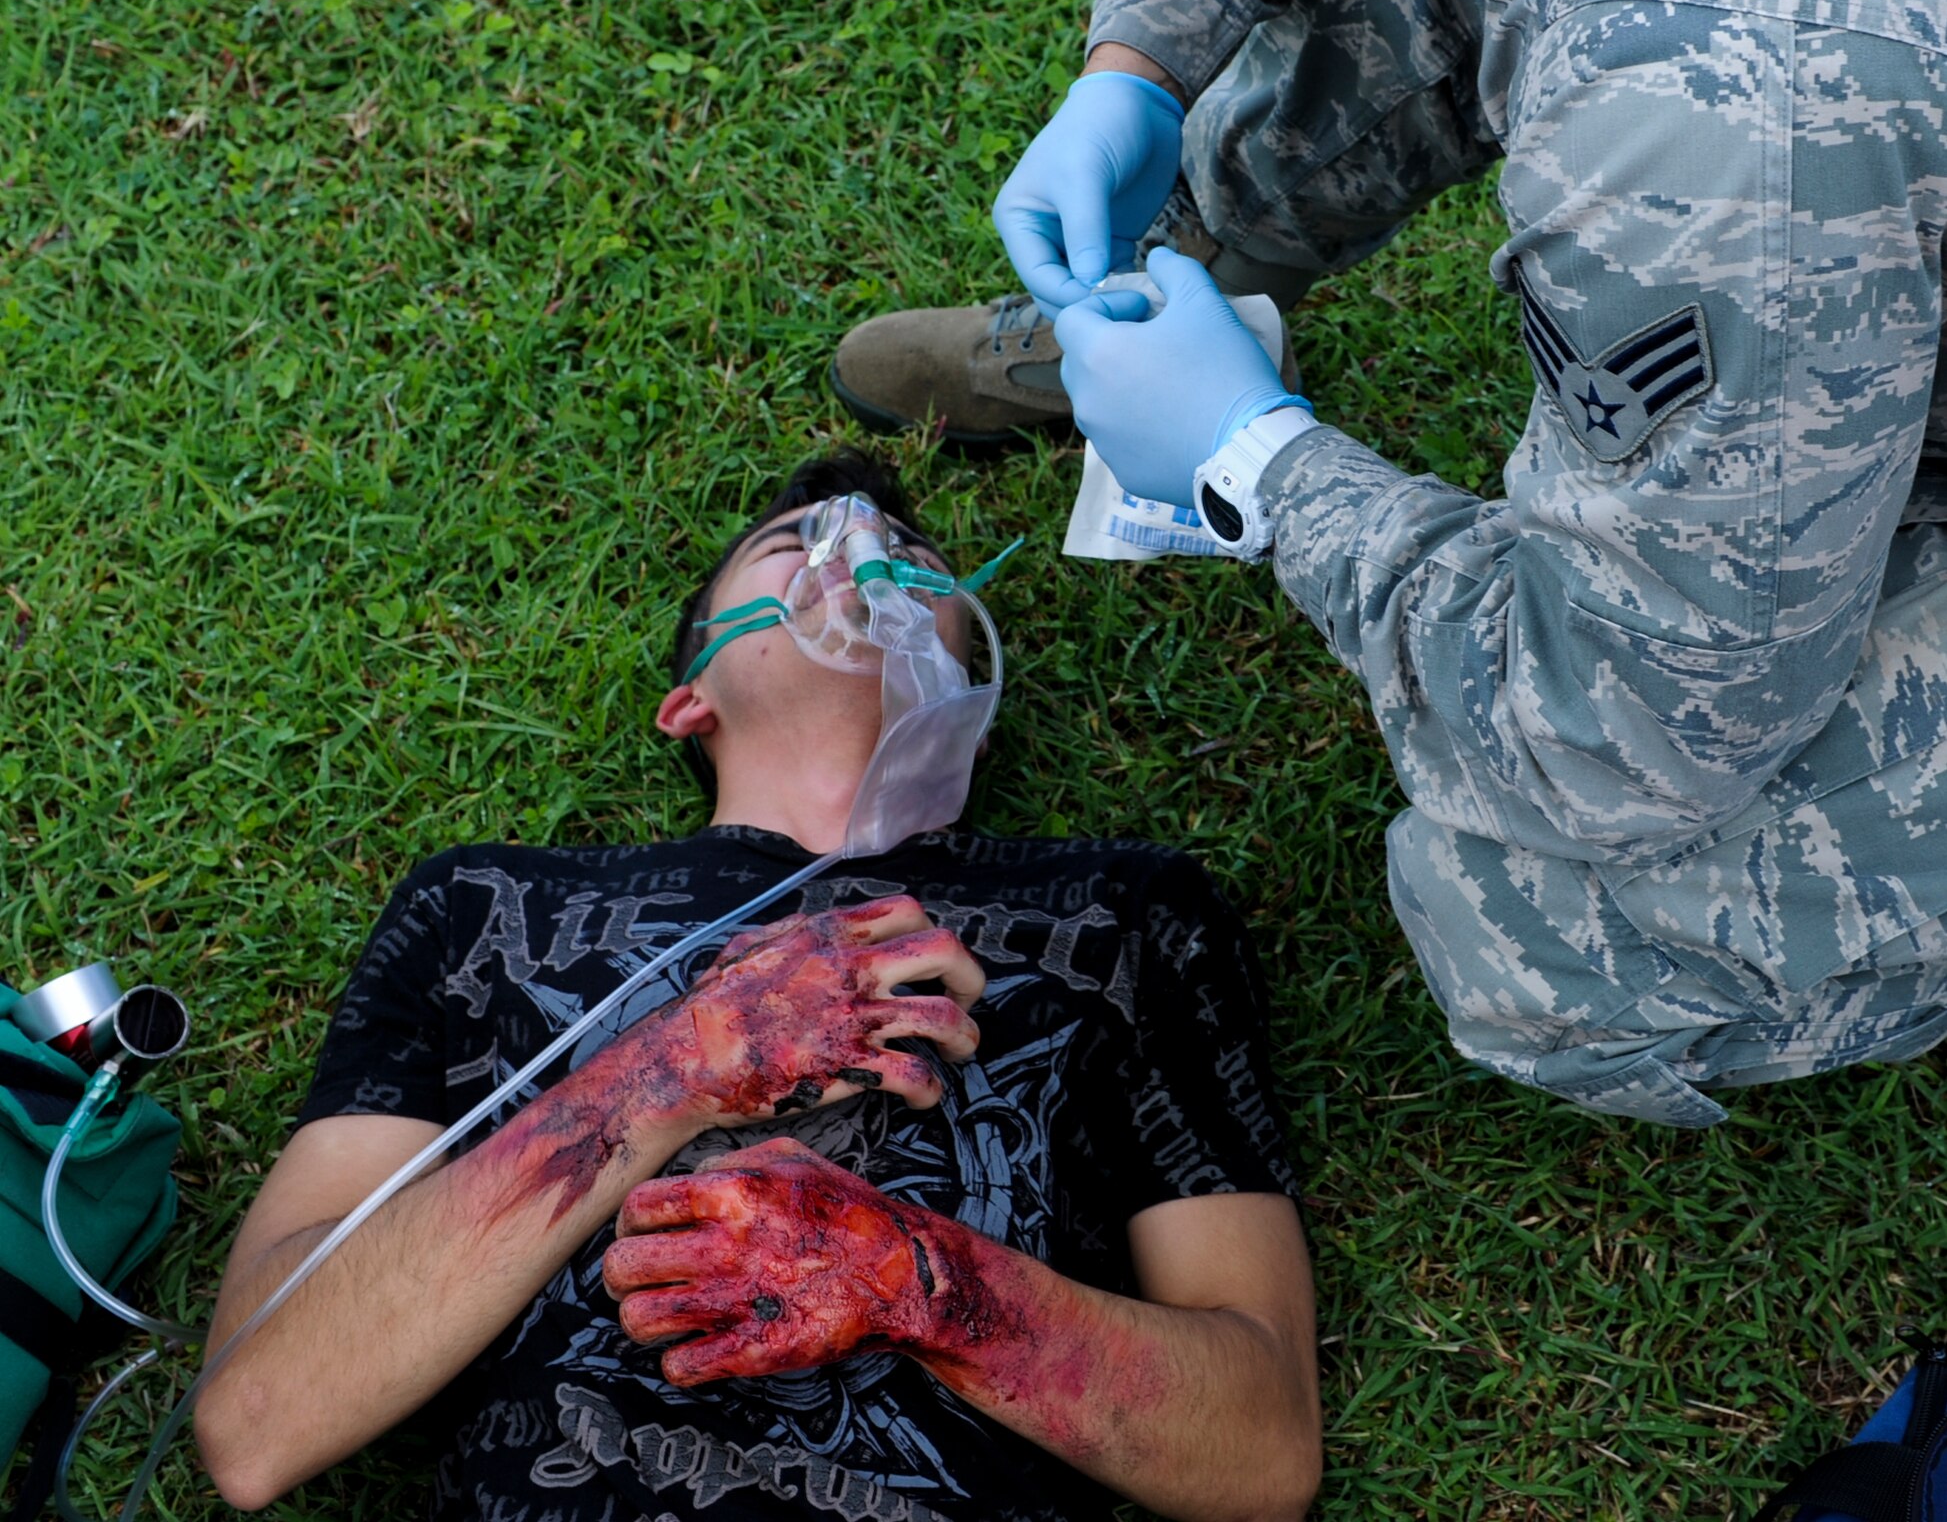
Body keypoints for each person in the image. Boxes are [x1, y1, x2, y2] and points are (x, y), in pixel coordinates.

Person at [833, 0, 1947, 1129]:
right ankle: (1151, 299)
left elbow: (1619, 730)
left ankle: (1190, 367)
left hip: (1800, 107)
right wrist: (1134, 61)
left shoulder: (1692, 96)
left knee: (1532, 931)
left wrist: (1255, 469)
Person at [192, 452, 1321, 1522]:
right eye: (791, 547)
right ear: (690, 698)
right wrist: (669, 1069)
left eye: (913, 558)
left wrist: (915, 1278)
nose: (858, 555)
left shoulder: (1125, 911)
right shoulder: (482, 905)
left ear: (966, 697)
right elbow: (256, 1418)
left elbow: (1262, 1452)